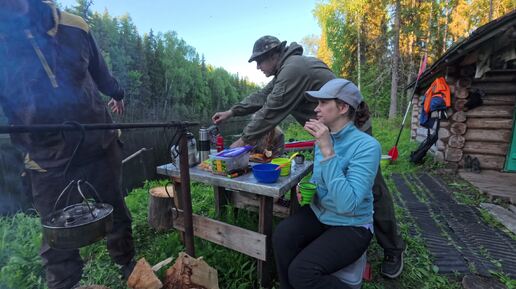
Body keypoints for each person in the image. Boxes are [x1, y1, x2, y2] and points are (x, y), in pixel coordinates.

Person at [212, 35, 405, 277]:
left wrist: (239, 144)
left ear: (274, 55)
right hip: (329, 133)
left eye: (259, 61)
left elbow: (269, 112)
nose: (258, 67)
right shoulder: (287, 70)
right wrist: (232, 112)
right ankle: (330, 228)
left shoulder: (293, 70)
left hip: (352, 129)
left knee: (371, 188)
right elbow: (263, 97)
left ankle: (393, 248)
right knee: (326, 181)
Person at [0, 1, 135, 288]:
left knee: (116, 210)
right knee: (56, 235)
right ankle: (65, 283)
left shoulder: (75, 26)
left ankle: (127, 264)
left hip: (99, 141)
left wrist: (117, 92)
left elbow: (100, 71)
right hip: (45, 158)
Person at [272, 78, 380, 289]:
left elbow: (347, 205)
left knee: (302, 272)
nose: (316, 108)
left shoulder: (367, 147)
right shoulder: (323, 138)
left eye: (323, 103)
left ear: (342, 107)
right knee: (282, 236)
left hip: (352, 225)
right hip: (321, 214)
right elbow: (319, 180)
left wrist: (328, 151)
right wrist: (307, 188)